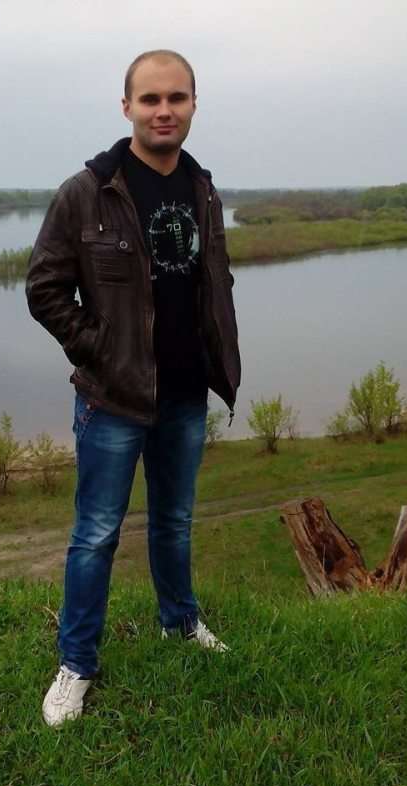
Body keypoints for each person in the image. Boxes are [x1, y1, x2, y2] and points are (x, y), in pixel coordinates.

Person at [25, 49, 240, 727]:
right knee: (95, 534)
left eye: (176, 98)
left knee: (174, 522)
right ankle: (76, 664)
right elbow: (45, 288)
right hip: (112, 399)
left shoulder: (203, 189)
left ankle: (180, 622)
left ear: (194, 104)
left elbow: (213, 282)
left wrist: (215, 359)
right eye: (150, 99)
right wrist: (99, 350)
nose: (163, 111)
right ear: (127, 108)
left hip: (185, 394)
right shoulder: (88, 191)